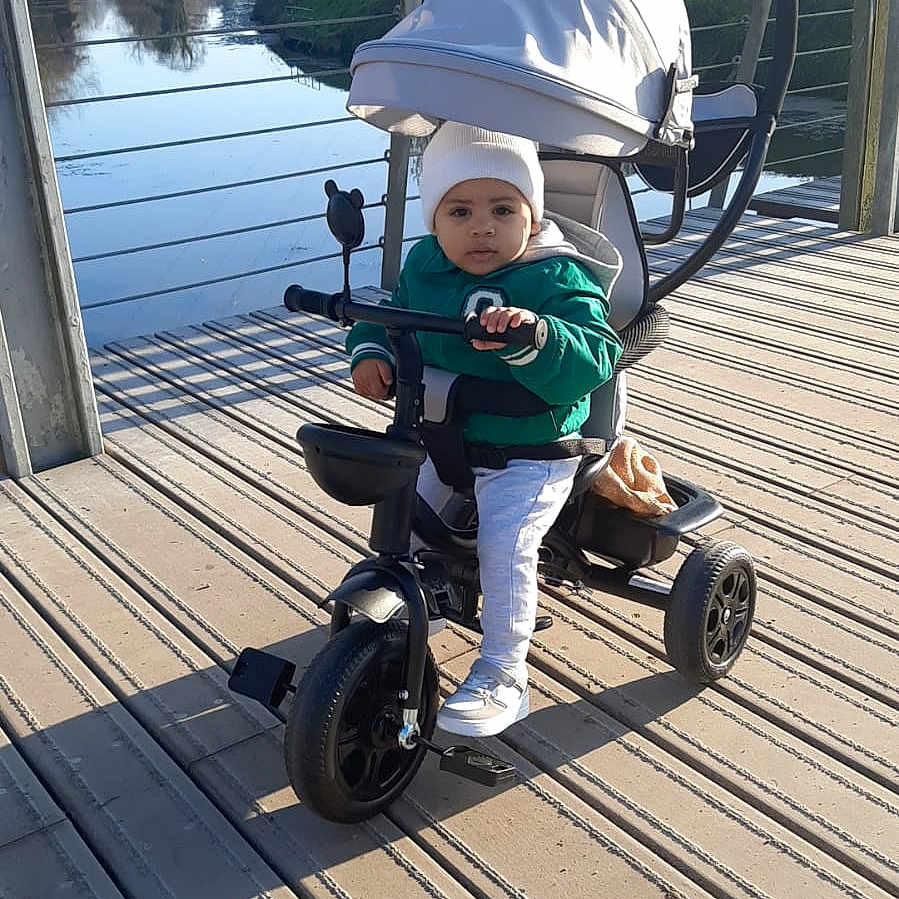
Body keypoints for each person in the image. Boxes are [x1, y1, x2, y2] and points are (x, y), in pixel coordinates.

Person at [346, 122, 622, 736]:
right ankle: (418, 606)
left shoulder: (555, 278)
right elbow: (391, 318)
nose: (482, 227)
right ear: (433, 220)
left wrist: (537, 334)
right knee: (405, 516)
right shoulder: (426, 266)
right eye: (460, 211)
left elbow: (597, 356)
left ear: (532, 213)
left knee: (506, 545)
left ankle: (504, 672)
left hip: (532, 447)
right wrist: (372, 352)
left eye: (503, 209)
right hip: (446, 438)